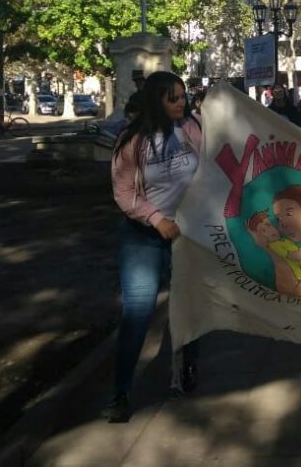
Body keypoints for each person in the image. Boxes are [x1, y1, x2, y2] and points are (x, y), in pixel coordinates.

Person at [106, 71, 202, 422]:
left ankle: (188, 364)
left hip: (186, 234)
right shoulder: (133, 140)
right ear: (155, 101)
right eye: (172, 98)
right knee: (137, 312)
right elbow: (124, 193)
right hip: (143, 236)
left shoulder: (192, 127)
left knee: (188, 306)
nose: (180, 103)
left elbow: (212, 166)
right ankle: (120, 394)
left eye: (182, 96)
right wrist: (157, 219)